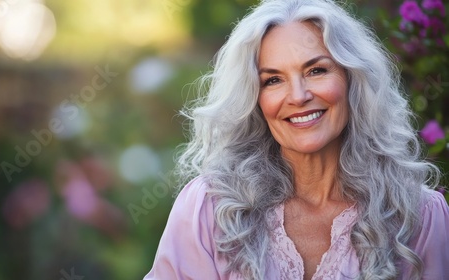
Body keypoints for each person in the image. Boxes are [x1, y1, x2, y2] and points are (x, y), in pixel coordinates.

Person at [144, 0, 449, 279]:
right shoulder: (209, 209)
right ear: (255, 99)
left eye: (316, 70)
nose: (299, 96)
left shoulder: (418, 214)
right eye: (273, 80)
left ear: (352, 80)